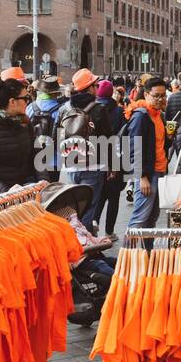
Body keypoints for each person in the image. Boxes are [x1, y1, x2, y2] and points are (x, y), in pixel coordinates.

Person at [60, 68, 115, 233]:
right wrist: (112, 166)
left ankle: (77, 243)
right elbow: (108, 139)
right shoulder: (98, 109)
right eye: (95, 85)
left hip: (70, 166)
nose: (97, 88)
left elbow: (56, 137)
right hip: (93, 166)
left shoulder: (64, 108)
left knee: (73, 210)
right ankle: (88, 249)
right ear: (90, 87)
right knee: (89, 209)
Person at [124, 77, 169, 242]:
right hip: (148, 175)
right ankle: (126, 260)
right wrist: (142, 177)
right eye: (156, 95)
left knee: (151, 219)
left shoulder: (159, 115)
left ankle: (148, 257)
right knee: (139, 219)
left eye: (163, 95)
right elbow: (134, 148)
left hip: (160, 171)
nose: (160, 99)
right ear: (146, 95)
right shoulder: (140, 116)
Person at [93, 79, 127, 237]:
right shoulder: (120, 111)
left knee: (99, 194)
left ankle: (94, 223)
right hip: (116, 157)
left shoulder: (92, 109)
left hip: (97, 157)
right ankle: (109, 231)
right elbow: (124, 135)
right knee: (113, 197)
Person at [27, 75, 66, 183]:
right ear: (56, 93)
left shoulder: (30, 108)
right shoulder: (61, 111)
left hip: (34, 160)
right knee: (51, 194)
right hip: (53, 161)